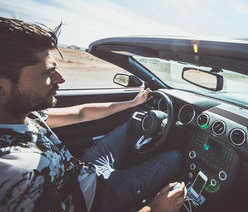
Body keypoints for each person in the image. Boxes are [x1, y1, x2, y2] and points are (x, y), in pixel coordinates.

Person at [0, 17, 187, 212]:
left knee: (132, 125)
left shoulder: (25, 114)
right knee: (174, 158)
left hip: (84, 170)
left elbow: (81, 113)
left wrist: (133, 103)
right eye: (48, 73)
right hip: (96, 198)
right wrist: (155, 207)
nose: (61, 78)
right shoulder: (17, 173)